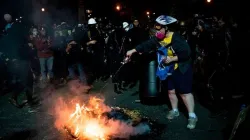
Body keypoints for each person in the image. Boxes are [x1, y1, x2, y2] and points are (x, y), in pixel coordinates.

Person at [126, 15, 198, 129]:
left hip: (181, 67)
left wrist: (173, 59)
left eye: (159, 29)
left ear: (167, 28)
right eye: (156, 28)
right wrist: (132, 51)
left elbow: (187, 53)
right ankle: (175, 110)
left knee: (184, 93)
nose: (157, 31)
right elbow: (147, 44)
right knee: (170, 91)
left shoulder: (177, 39)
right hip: (167, 68)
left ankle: (192, 116)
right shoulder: (159, 38)